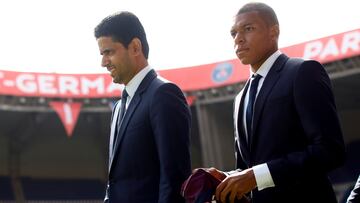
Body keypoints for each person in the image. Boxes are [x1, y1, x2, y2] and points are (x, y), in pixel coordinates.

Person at [205, 2, 345, 203]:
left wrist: (257, 175)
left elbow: (331, 151)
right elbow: (249, 168)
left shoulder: (302, 72)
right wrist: (226, 178)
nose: (239, 39)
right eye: (233, 33)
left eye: (248, 29)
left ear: (274, 31)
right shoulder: (239, 99)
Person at [94, 11, 191, 203]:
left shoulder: (164, 94)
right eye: (102, 54)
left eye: (109, 52)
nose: (103, 62)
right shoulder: (119, 107)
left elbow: (174, 178)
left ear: (135, 47)